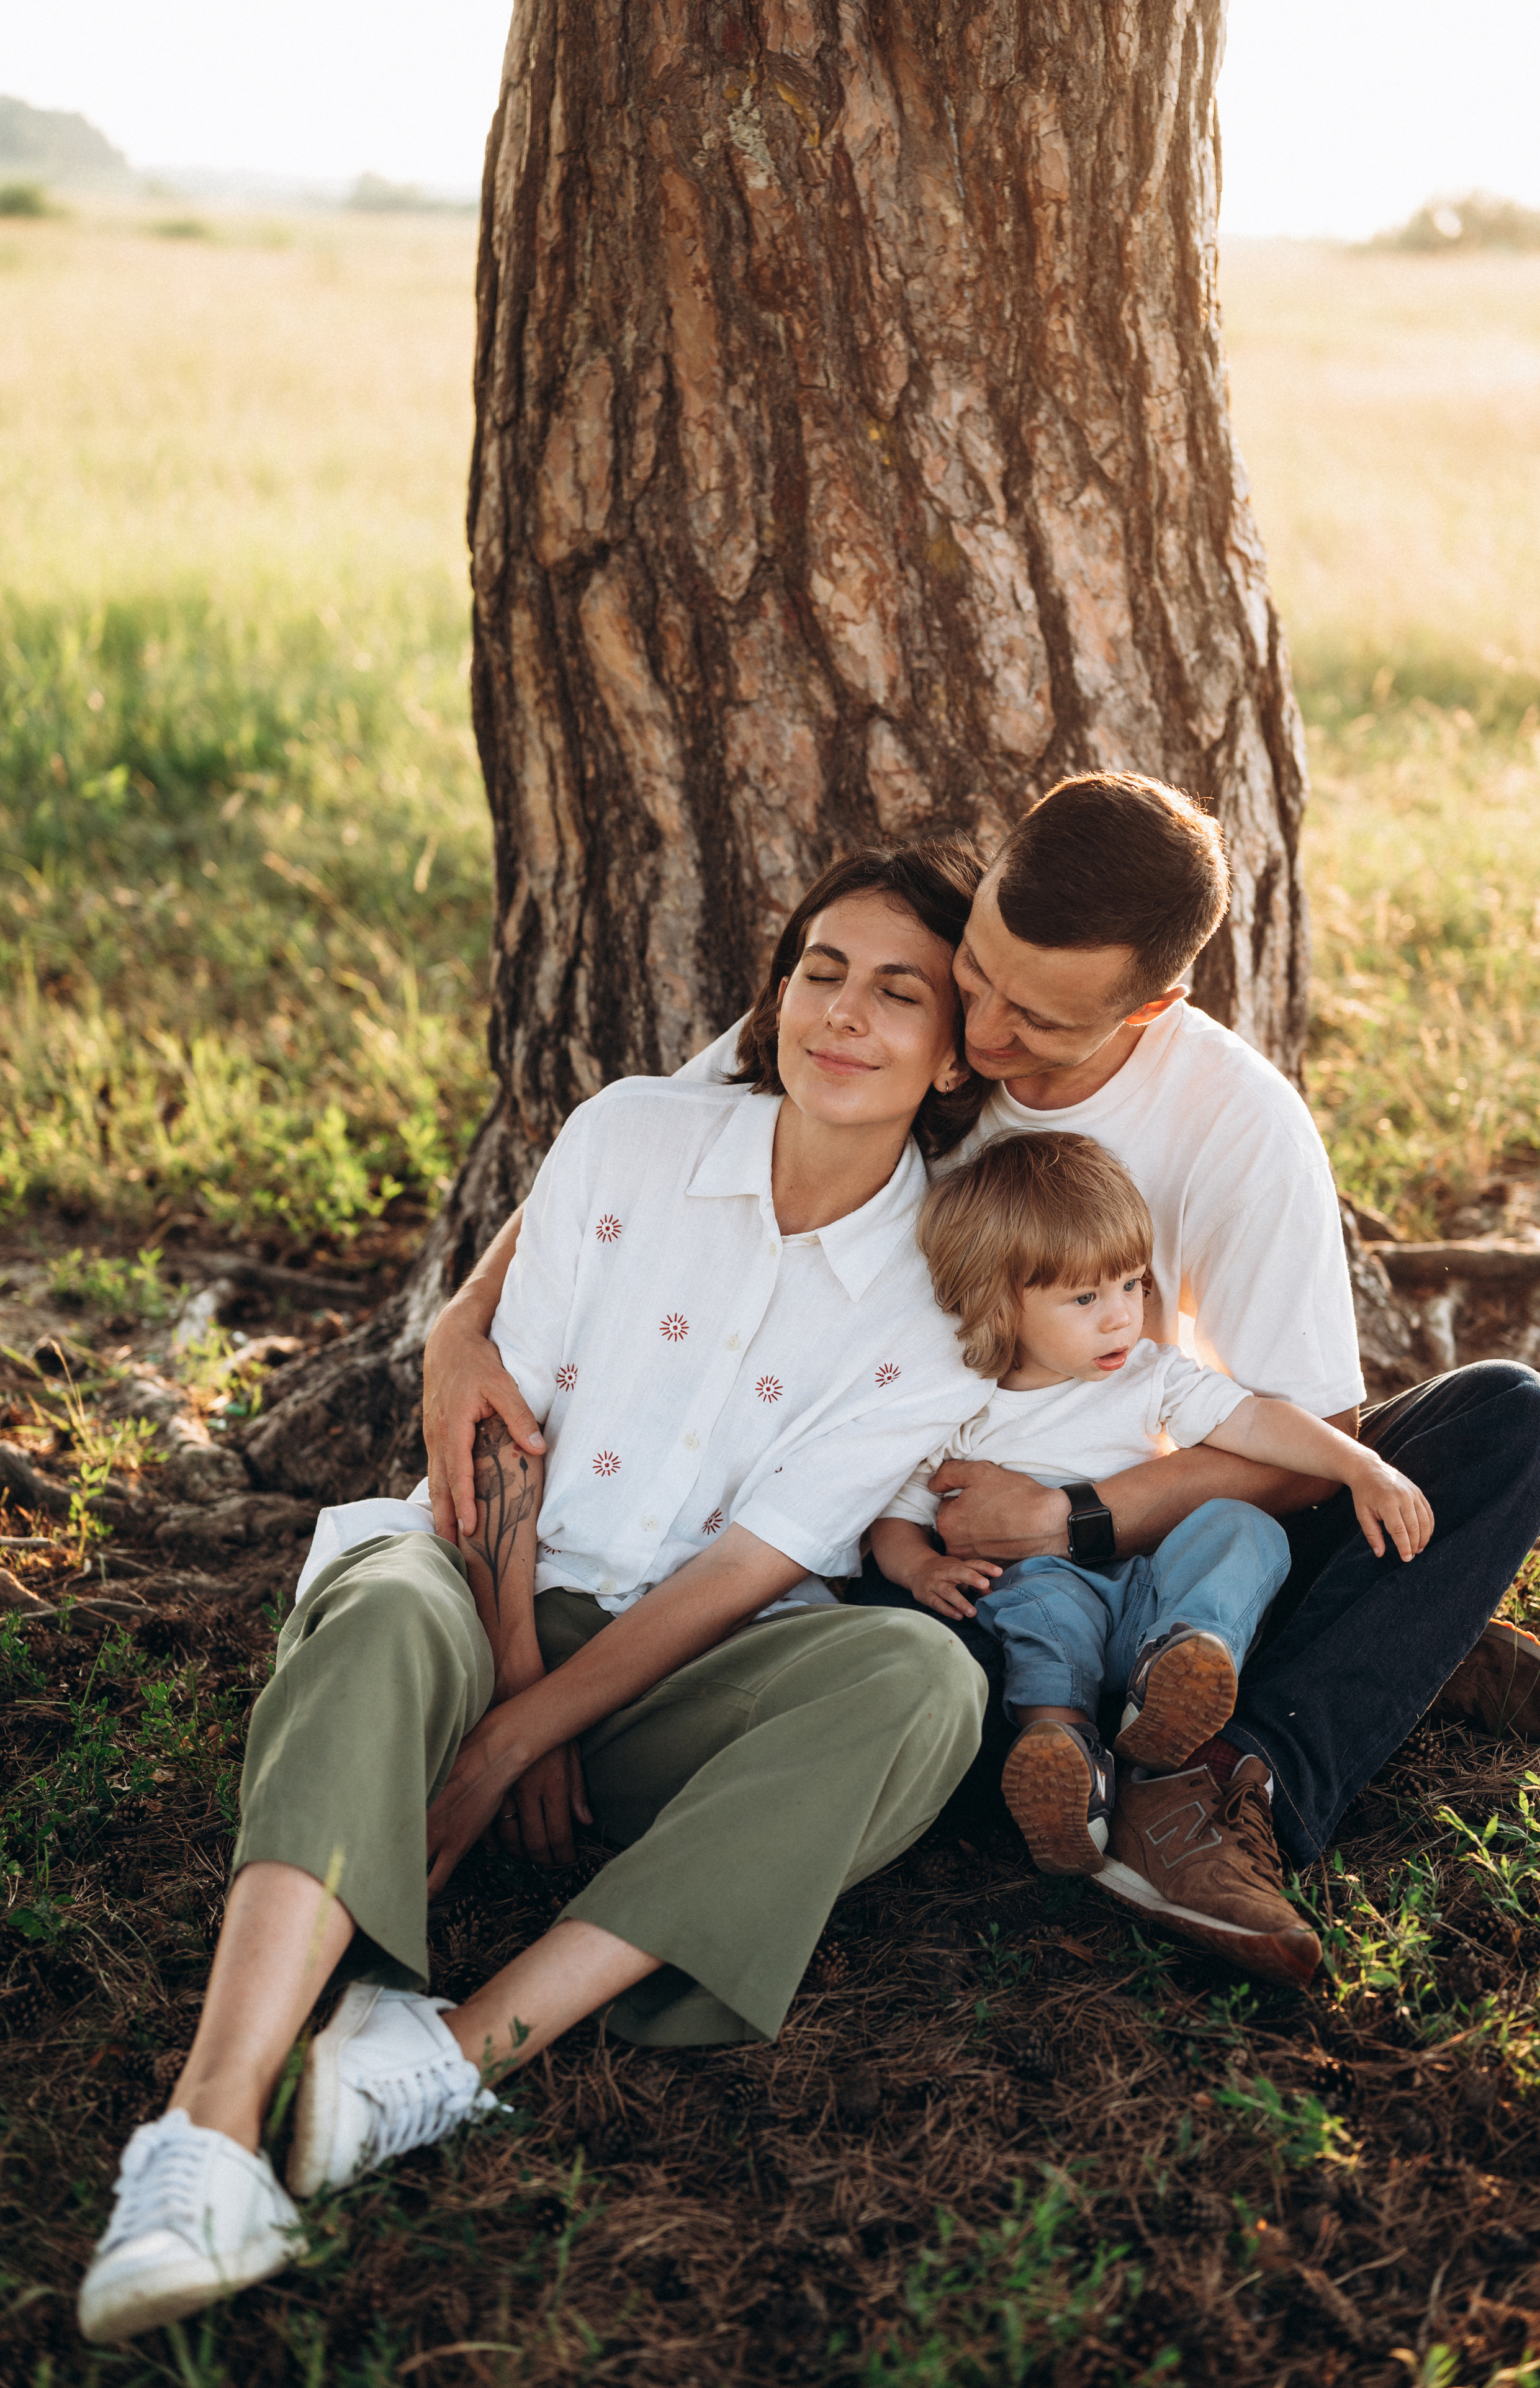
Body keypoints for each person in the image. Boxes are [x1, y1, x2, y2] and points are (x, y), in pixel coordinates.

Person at [422, 775, 1540, 1985]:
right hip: (936, 1543)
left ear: (1152, 1005)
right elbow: (657, 1132)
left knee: (1507, 1424)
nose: (979, 1037)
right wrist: (463, 1321)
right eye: (977, 975)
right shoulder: (898, 988)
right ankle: (1299, 1668)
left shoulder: (1236, 1120)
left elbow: (1316, 1430)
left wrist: (1070, 1514)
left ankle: (1224, 1780)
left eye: (1035, 1021)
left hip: (1142, 1488)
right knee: (912, 1661)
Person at [78, 844, 999, 2345]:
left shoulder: (947, 1285)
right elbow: (501, 1427)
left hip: (686, 1675)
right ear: (772, 993)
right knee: (380, 1611)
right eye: (819, 971)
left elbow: (746, 1570)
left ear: (956, 1048)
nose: (843, 1013)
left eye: (900, 993)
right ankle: (204, 2135)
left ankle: (439, 2054)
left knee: (922, 1683)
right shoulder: (632, 1136)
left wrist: (528, 1739)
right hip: (477, 1584)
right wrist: (508, 1691)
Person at [870, 1131, 1430, 1975]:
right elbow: (892, 1516)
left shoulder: (1153, 1375)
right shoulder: (962, 1409)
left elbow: (1257, 1427)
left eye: (1134, 1284)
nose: (1124, 1315)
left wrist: (1361, 1464)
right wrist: (920, 1567)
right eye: (1086, 1297)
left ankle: (1177, 1676)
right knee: (1036, 1598)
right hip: (1053, 1600)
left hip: (1155, 1589)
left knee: (1244, 1526)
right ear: (999, 1302)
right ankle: (1064, 1767)